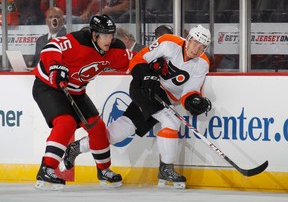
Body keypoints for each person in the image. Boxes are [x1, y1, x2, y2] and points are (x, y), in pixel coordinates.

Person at [59, 25, 212, 189]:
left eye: (201, 46)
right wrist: (148, 76)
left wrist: (193, 102)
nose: (196, 49)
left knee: (121, 131)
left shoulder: (202, 63)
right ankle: (166, 169)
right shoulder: (169, 43)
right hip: (144, 87)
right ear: (188, 39)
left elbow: (189, 92)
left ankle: (78, 147)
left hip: (163, 99)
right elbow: (138, 59)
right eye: (195, 43)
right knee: (172, 122)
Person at [32, 14, 134, 191]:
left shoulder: (115, 50)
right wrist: (55, 66)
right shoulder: (78, 40)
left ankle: (103, 170)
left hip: (77, 92)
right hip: (49, 86)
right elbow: (51, 48)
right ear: (94, 34)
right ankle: (47, 169)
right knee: (66, 123)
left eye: (111, 35)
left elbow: (134, 61)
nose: (108, 40)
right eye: (104, 35)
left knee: (98, 128)